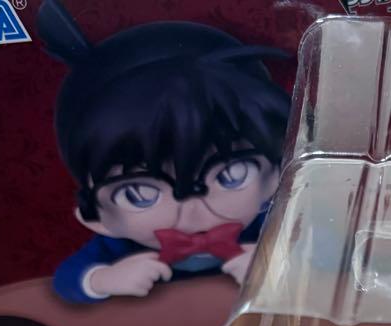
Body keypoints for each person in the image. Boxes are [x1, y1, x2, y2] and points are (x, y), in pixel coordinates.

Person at [38, 0, 291, 303]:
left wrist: (281, 265)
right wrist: (102, 279)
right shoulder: (118, 248)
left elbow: (327, 257)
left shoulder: (269, 228)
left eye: (230, 175)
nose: (193, 212)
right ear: (96, 217)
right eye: (138, 193)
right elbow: (66, 279)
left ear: (275, 175)